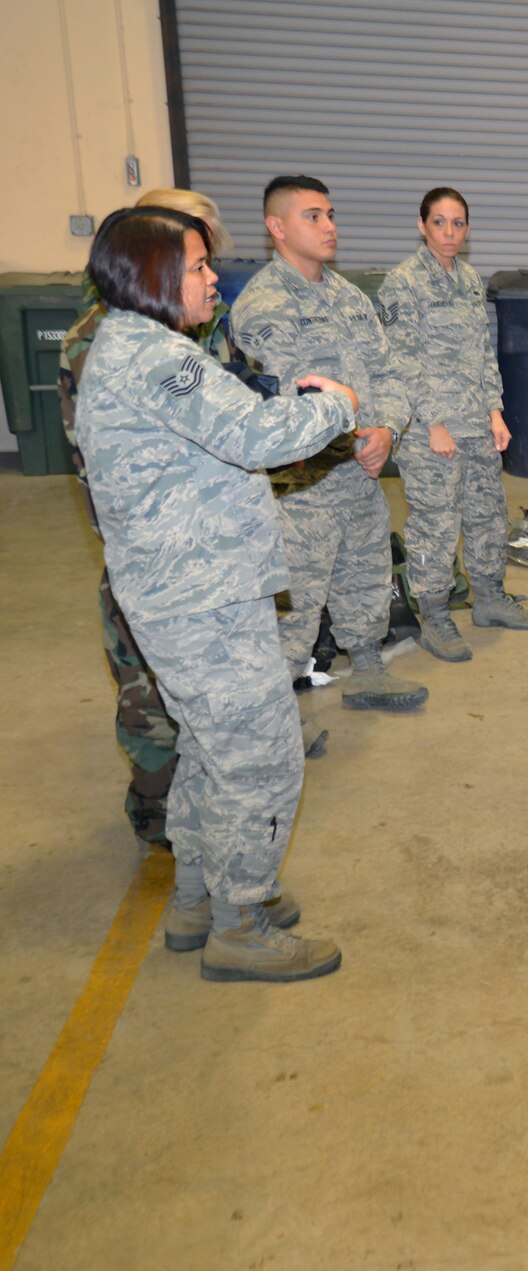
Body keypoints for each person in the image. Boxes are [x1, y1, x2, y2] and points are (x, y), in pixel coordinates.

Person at [73, 205, 357, 979]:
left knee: (207, 747)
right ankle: (242, 920)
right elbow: (262, 435)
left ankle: (199, 898)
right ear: (156, 275)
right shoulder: (162, 359)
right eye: (197, 266)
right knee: (259, 756)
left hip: (185, 589)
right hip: (200, 598)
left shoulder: (130, 346)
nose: (210, 280)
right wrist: (337, 402)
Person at [58, 187, 242, 843]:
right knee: (147, 688)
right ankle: (157, 802)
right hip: (153, 548)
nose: (210, 270)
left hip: (203, 542)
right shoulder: (102, 341)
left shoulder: (192, 325)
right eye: (196, 255)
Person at [233, 175, 427, 711]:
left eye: (331, 214)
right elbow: (284, 399)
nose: (329, 226)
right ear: (276, 226)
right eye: (312, 216)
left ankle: (366, 667)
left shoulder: (349, 298)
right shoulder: (264, 306)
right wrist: (359, 441)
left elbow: (388, 372)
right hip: (301, 484)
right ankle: (274, 714)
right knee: (295, 598)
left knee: (366, 569)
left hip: (360, 471)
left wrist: (386, 430)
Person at [377, 185, 528, 664]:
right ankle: (433, 613)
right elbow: (400, 361)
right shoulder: (403, 283)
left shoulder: (471, 281)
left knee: (488, 514)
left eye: (459, 223)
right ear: (421, 226)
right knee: (436, 523)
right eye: (439, 222)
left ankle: (489, 598)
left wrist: (496, 412)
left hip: (476, 422)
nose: (450, 232)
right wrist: (431, 424)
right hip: (434, 430)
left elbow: (483, 355)